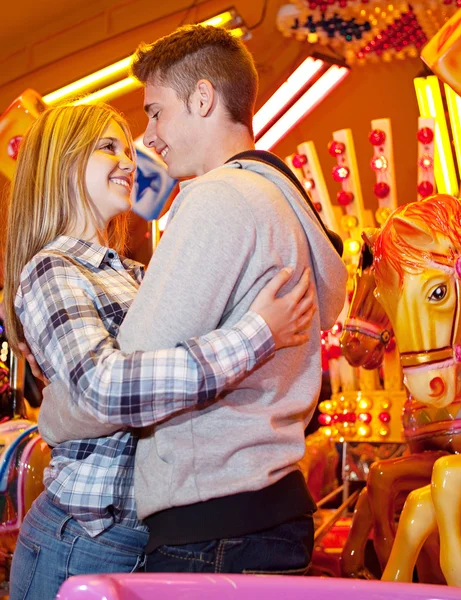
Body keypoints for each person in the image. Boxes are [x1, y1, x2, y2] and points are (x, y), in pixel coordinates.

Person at [38, 24, 348, 575]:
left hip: (210, 520)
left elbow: (123, 381)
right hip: (266, 500)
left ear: (202, 98)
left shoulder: (216, 198)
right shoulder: (278, 198)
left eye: (156, 112)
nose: (150, 137)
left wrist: (53, 416)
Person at [3, 102, 315, 600]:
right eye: (109, 148)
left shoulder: (133, 274)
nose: (130, 161)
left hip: (143, 529)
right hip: (84, 533)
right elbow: (106, 388)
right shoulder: (52, 269)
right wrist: (257, 335)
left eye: (128, 149)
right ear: (62, 162)